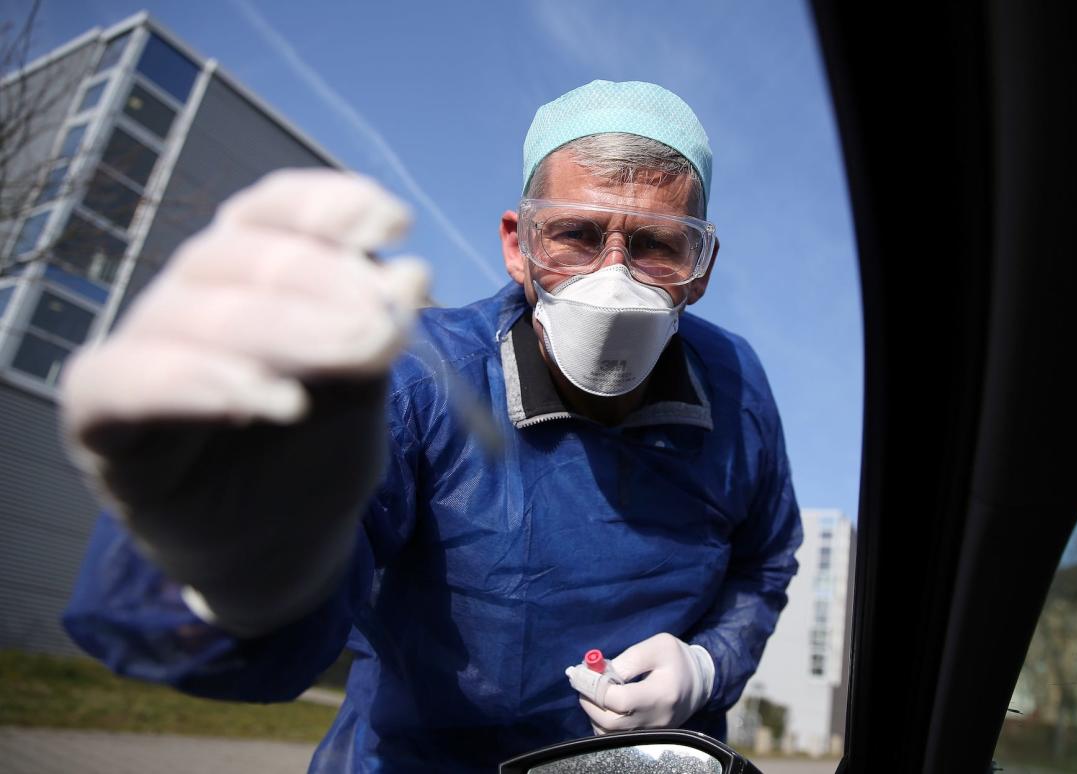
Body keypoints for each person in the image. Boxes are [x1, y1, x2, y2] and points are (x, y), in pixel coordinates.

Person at [60, 80, 802, 772]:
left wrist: (707, 664)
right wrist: (230, 567)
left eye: (654, 245)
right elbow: (292, 619)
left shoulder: (734, 388)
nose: (614, 281)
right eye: (576, 235)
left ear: (698, 265)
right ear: (519, 245)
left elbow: (763, 564)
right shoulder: (417, 381)